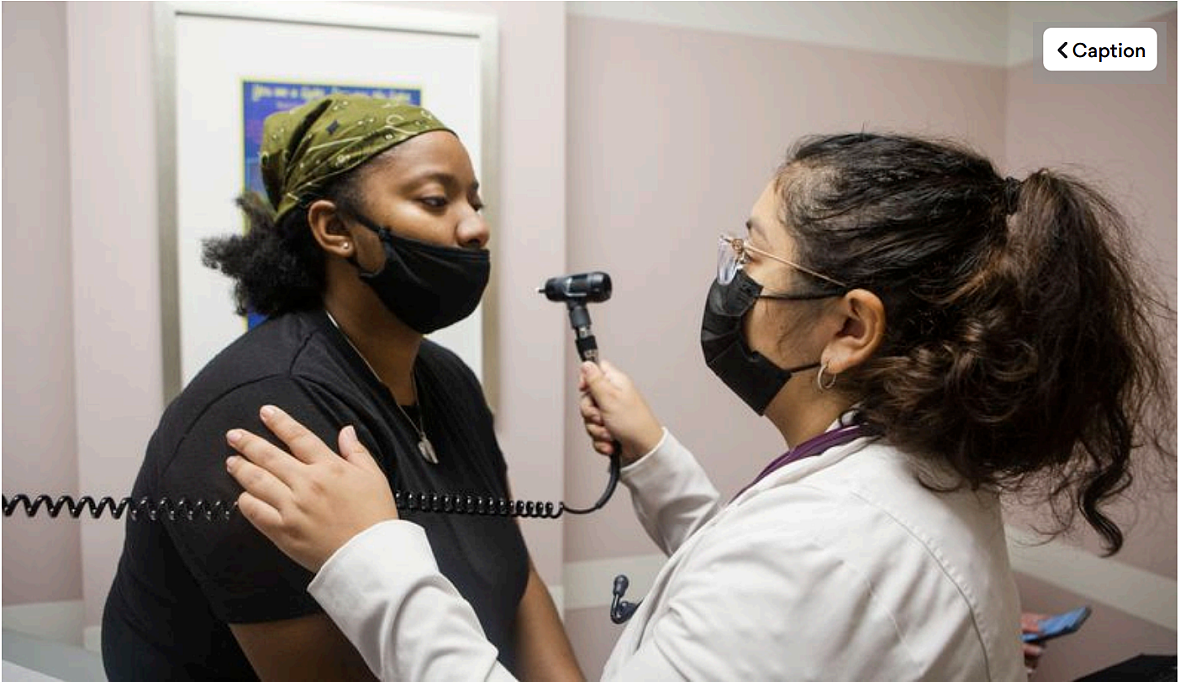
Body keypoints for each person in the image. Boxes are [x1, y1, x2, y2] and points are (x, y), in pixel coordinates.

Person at [223, 133, 1173, 680]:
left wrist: (372, 563)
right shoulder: (898, 480)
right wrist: (657, 464)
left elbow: (791, 581)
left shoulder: (831, 547)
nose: (728, 276)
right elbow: (769, 608)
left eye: (751, 254)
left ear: (850, 328)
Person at [101, 95, 580, 681]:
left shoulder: (449, 380)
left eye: (474, 201)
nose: (476, 225)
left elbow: (517, 573)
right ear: (334, 228)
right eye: (436, 200)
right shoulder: (265, 412)